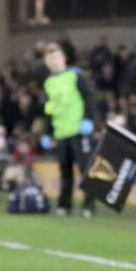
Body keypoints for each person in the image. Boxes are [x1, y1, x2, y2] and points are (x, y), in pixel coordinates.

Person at [40, 42, 96, 217]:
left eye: (55, 56)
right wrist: (47, 132)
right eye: (49, 58)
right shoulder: (49, 82)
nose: (52, 60)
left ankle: (89, 205)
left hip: (79, 130)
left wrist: (88, 119)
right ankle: (65, 205)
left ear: (63, 58)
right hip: (61, 132)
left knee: (85, 168)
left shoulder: (75, 76)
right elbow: (50, 108)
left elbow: (89, 97)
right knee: (64, 170)